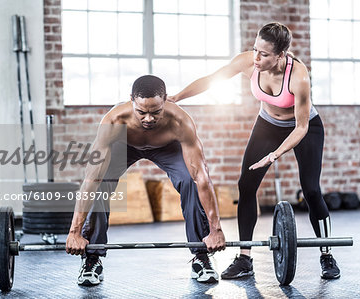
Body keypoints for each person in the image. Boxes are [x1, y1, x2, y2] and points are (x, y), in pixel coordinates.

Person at [168, 22, 340, 280]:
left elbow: (301, 127)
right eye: (254, 49)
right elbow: (211, 79)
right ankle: (245, 259)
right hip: (267, 125)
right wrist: (177, 98)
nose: (256, 58)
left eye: (264, 54)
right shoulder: (249, 62)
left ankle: (326, 254)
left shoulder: (298, 76)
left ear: (281, 55)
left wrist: (274, 155)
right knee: (246, 185)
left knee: (311, 190)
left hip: (303, 127)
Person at [65, 75, 226, 286]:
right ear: (131, 99)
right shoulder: (113, 121)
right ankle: (92, 258)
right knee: (100, 183)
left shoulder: (181, 122)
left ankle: (201, 255)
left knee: (190, 181)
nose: (148, 119)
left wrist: (216, 230)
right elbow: (91, 179)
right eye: (141, 112)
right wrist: (74, 232)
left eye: (156, 112)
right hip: (124, 145)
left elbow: (202, 178)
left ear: (166, 100)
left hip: (167, 147)